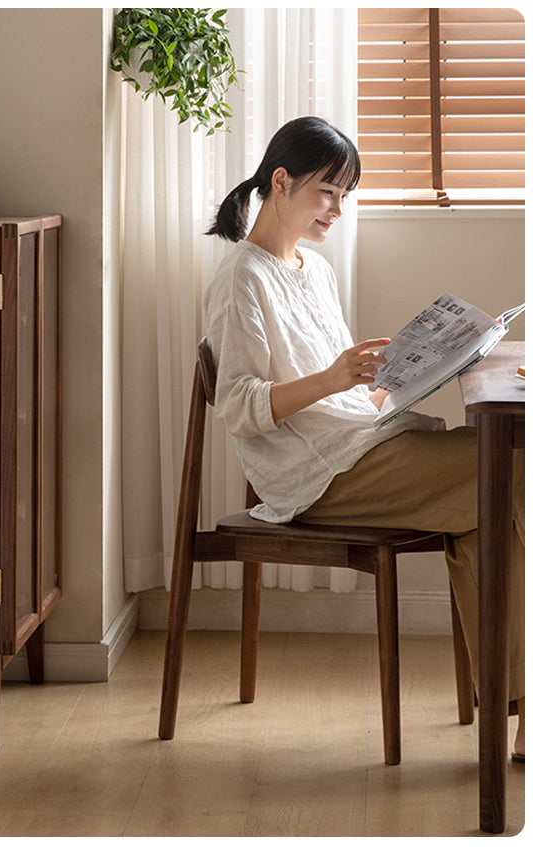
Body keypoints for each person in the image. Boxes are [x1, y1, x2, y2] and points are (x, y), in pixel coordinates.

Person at [203, 115, 525, 761]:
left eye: (346, 193)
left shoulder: (313, 269)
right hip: (318, 475)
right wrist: (332, 378)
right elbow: (237, 405)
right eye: (329, 191)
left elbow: (350, 391)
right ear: (282, 180)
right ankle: (528, 712)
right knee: (512, 474)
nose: (338, 208)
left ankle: (520, 711)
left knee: (490, 505)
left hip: (362, 441)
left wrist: (424, 370)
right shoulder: (241, 278)